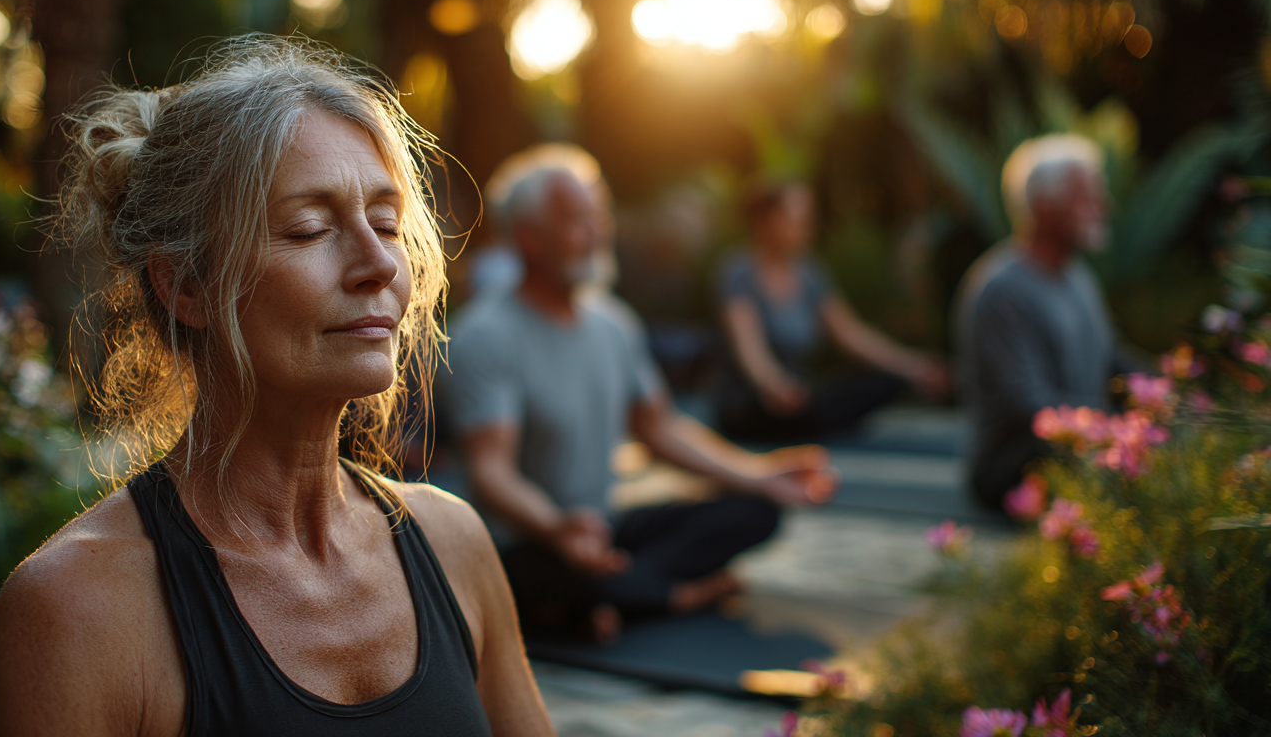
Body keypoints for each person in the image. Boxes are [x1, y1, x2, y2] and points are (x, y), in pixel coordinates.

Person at [0, 37, 553, 736]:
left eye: (386, 223)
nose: (377, 264)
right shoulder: (77, 609)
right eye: (310, 230)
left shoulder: (452, 540)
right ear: (187, 284)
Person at [442, 147, 838, 644]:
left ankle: (610, 600)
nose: (597, 231)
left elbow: (660, 428)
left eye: (598, 215)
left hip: (602, 530)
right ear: (529, 237)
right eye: (576, 220)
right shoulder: (484, 335)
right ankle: (662, 594)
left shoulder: (614, 324)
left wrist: (760, 476)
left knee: (754, 511)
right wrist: (556, 528)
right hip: (525, 540)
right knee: (517, 574)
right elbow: (490, 471)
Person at [955, 134, 1136, 510]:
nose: (1102, 205)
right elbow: (1031, 407)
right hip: (1013, 467)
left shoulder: (1078, 277)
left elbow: (1112, 360)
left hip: (1081, 441)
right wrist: (1121, 427)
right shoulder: (1002, 290)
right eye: (1084, 196)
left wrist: (1173, 395)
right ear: (1043, 207)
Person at [713, 181, 950, 442]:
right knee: (796, 410)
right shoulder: (738, 272)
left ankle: (807, 420)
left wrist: (914, 367)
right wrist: (773, 384)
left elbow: (850, 333)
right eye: (796, 220)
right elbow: (751, 350)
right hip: (755, 401)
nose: (807, 228)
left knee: (881, 383)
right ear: (764, 221)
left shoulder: (809, 272)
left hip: (798, 397)